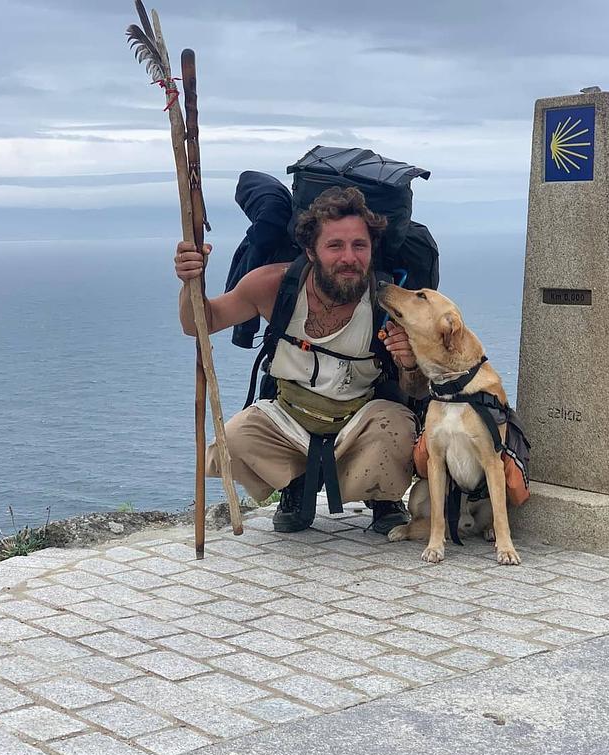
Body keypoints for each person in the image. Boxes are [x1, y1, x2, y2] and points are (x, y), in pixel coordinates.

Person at [175, 186, 429, 534]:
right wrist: (192, 282)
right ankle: (295, 484)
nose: (349, 258)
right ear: (311, 250)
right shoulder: (274, 286)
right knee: (233, 439)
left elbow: (417, 389)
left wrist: (410, 363)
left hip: (360, 422)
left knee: (398, 427)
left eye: (359, 245)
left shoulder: (390, 302)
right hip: (289, 417)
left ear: (372, 249)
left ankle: (381, 496)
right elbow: (199, 324)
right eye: (335, 246)